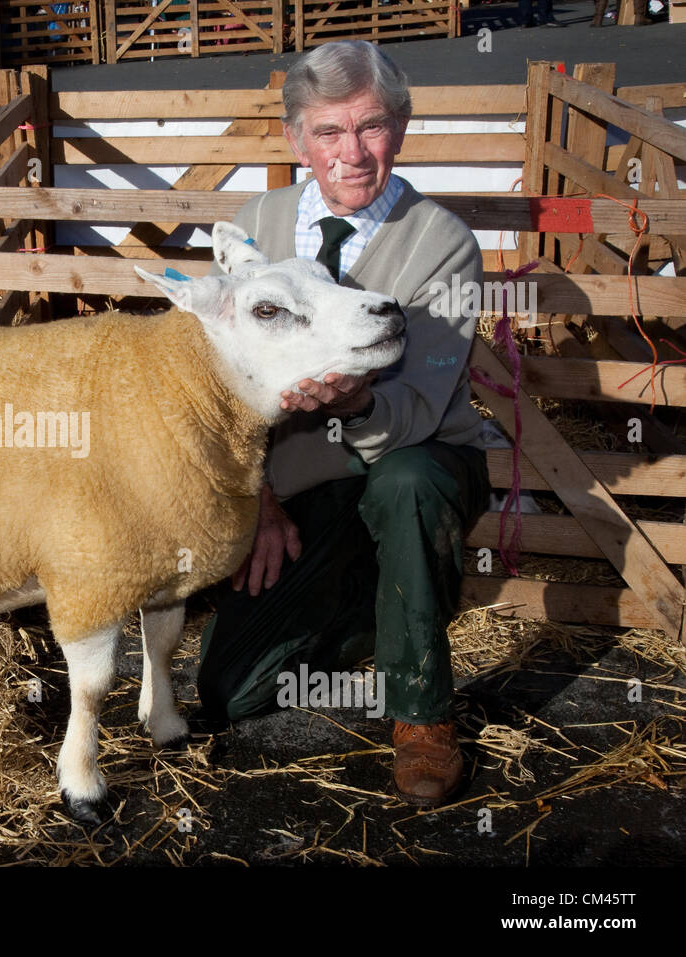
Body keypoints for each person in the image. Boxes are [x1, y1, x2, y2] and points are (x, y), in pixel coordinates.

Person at [199, 40, 491, 806]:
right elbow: (226, 385)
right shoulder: (254, 226)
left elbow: (420, 408)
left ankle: (422, 710)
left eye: (371, 128)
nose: (351, 153)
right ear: (297, 139)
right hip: (303, 480)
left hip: (416, 460)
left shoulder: (443, 245)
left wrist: (350, 402)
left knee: (407, 482)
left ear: (399, 128)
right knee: (232, 693)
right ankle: (384, 598)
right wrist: (256, 500)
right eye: (328, 132)